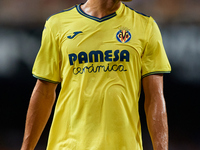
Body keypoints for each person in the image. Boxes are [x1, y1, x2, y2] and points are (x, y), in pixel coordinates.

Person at [21, 0, 171, 149]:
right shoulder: (57, 24)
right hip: (68, 145)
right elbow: (44, 93)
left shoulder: (146, 26)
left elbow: (155, 97)